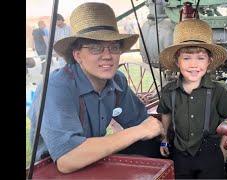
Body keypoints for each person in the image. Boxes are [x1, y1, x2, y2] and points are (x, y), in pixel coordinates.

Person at [28, 2, 164, 174]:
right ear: (77, 55)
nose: (107, 56)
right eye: (95, 48)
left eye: (114, 47)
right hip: (53, 169)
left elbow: (141, 121)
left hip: (93, 159)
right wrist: (139, 131)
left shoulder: (117, 81)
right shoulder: (56, 87)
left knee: (156, 147)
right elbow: (67, 159)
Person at [157, 19, 227, 179]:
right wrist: (165, 139)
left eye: (200, 58)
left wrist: (223, 146)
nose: (194, 64)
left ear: (209, 61)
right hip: (180, 154)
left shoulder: (219, 91)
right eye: (187, 58)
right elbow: (166, 114)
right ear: (177, 61)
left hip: (210, 153)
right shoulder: (169, 91)